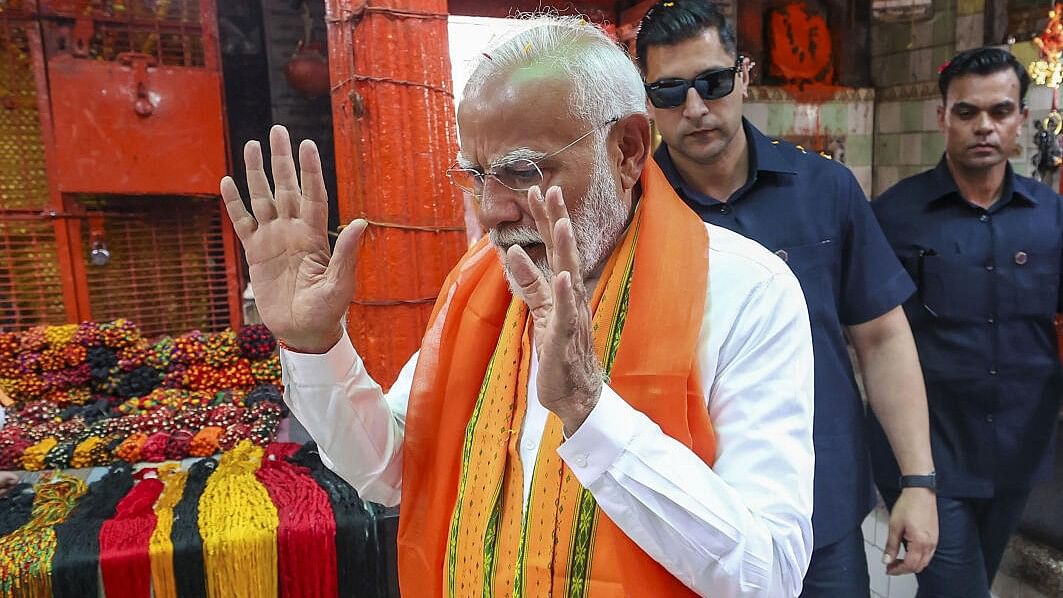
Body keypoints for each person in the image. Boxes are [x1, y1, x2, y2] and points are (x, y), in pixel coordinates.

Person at [222, 15, 816, 597]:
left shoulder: (746, 291)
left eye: (521, 170)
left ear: (628, 149)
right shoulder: (479, 285)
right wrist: (315, 345)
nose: (491, 209)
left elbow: (769, 574)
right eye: (478, 176)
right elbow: (389, 470)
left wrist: (590, 411)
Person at [634, 2, 938, 595]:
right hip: (688, 516)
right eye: (669, 92)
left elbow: (882, 338)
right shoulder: (631, 212)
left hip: (819, 507)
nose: (695, 108)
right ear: (647, 100)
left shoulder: (825, 190)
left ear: (743, 75)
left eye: (713, 83)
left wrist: (918, 481)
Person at [871, 47, 1063, 597]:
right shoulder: (896, 217)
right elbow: (874, 337)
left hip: (1018, 450)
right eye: (967, 112)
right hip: (930, 451)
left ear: (1022, 119)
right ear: (942, 117)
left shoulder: (1050, 218)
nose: (984, 126)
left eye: (1000, 111)